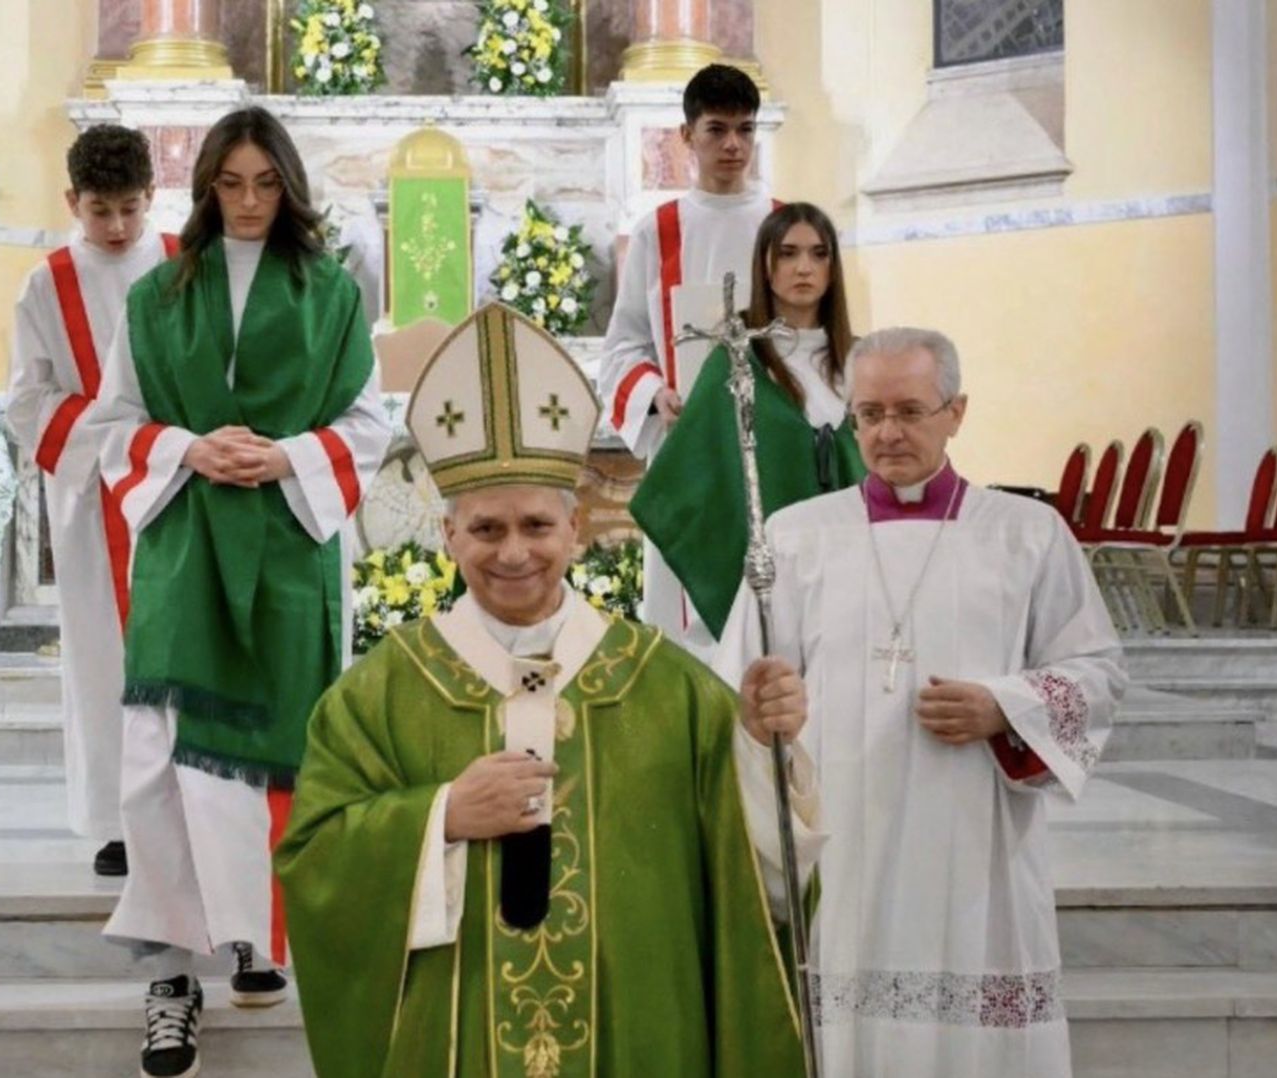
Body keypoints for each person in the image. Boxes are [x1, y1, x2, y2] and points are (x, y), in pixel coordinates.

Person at [277, 302, 819, 1078]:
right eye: (487, 529)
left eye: (536, 525)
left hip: (638, 1032)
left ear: (576, 530)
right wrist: (440, 818)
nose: (514, 552)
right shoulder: (379, 696)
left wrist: (768, 750)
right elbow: (315, 863)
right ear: (448, 535)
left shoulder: (669, 688)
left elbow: (754, 878)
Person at [714, 327, 1126, 1077]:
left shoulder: (1026, 535)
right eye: (868, 414)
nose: (887, 432)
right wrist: (759, 708)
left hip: (975, 845)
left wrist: (1007, 708)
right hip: (845, 842)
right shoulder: (795, 538)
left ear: (956, 412)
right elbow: (738, 688)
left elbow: (1096, 672)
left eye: (909, 409)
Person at [79, 106, 391, 1078]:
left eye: (264, 183)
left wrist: (288, 454)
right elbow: (113, 421)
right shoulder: (160, 294)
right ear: (206, 185)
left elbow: (368, 424)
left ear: (287, 186)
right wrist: (188, 446)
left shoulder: (331, 291)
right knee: (162, 755)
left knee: (273, 757)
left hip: (288, 552)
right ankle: (170, 974)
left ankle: (258, 938)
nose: (249, 201)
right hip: (182, 543)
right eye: (231, 183)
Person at [3, 124, 176, 877]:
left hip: (180, 486)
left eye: (130, 210)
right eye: (99, 210)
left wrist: (167, 444)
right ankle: (115, 819)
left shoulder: (184, 266)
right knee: (103, 657)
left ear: (153, 198)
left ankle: (189, 803)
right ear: (72, 200)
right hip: (95, 499)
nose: (115, 228)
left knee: (183, 655)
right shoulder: (46, 284)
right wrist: (118, 437)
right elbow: (28, 400)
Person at [598, 62, 777, 659]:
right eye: (717, 129)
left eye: (746, 130)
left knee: (774, 616)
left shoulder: (785, 225)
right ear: (686, 137)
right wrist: (654, 394)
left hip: (771, 447)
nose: (733, 146)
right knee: (688, 632)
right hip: (689, 449)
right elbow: (624, 346)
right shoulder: (660, 231)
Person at [631, 200, 864, 646]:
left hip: (852, 574)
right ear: (765, 266)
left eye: (818, 254)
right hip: (772, 580)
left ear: (833, 268)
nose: (803, 268)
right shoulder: (737, 360)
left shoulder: (860, 360)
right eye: (788, 253)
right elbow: (681, 487)